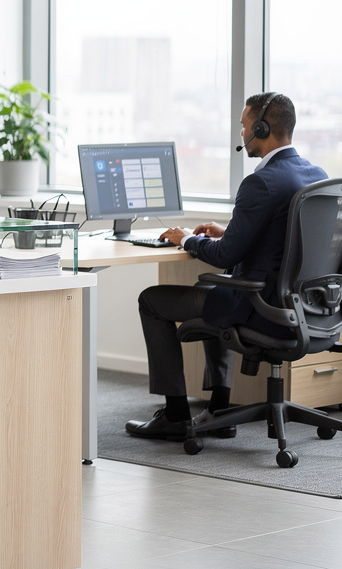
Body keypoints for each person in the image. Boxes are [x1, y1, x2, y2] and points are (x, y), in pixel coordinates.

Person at [125, 92, 327, 442]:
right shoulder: (314, 174)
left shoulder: (260, 181)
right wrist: (229, 231)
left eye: (244, 126)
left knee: (151, 300)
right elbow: (280, 237)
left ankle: (175, 415)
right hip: (305, 307)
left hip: (260, 308)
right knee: (210, 289)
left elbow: (224, 258)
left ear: (261, 128)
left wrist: (186, 239)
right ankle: (220, 409)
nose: (242, 133)